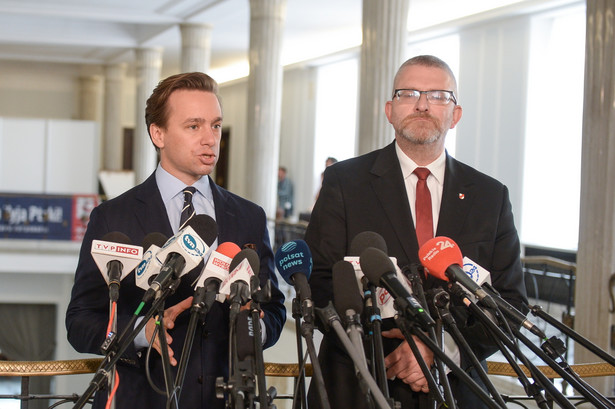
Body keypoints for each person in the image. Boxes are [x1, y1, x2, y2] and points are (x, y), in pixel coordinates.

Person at [305, 55, 528, 409]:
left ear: (455, 115)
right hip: (359, 385)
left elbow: (510, 303)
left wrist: (439, 349)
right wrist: (388, 342)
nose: (423, 104)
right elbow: (318, 284)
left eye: (439, 96)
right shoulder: (344, 184)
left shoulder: (490, 196)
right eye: (409, 93)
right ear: (390, 110)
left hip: (460, 387)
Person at [66, 72, 286, 409]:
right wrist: (141, 332)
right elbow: (81, 322)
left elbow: (274, 310)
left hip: (223, 399)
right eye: (194, 126)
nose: (210, 139)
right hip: (140, 400)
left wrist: (254, 327)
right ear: (159, 134)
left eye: (215, 125)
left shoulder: (249, 217)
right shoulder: (113, 217)